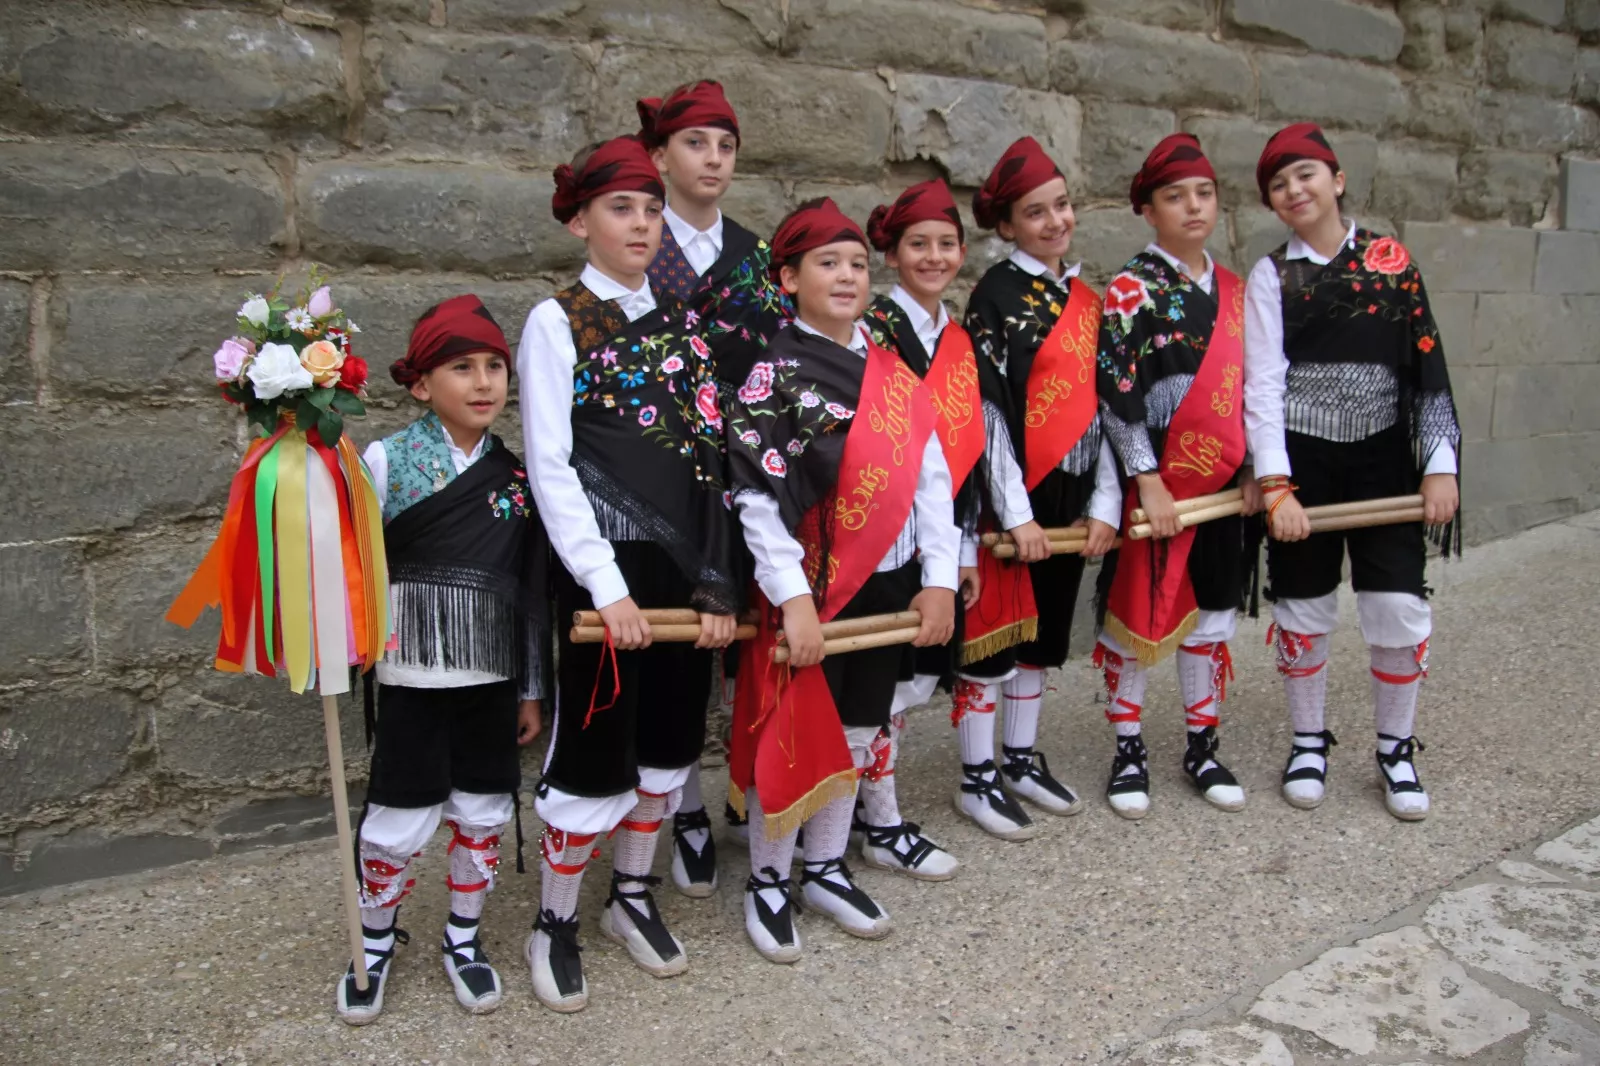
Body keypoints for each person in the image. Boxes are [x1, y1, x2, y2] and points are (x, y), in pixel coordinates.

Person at [518, 135, 739, 1012]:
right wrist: (604, 586)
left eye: (652, 209)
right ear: (580, 221)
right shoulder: (556, 319)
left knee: (669, 748)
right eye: (622, 208)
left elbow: (714, 460)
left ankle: (632, 898)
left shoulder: (686, 322)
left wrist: (718, 581)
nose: (642, 223)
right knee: (596, 750)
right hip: (605, 573)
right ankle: (555, 921)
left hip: (685, 571)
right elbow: (551, 461)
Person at [724, 197, 961, 961]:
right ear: (788, 278)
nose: (849, 275)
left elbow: (931, 480)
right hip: (813, 590)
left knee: (861, 726)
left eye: (858, 262)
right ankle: (769, 877)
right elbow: (758, 500)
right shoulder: (772, 377)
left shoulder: (891, 369)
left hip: (888, 582)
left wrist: (939, 579)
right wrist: (791, 598)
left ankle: (824, 866)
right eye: (828, 262)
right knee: (793, 732)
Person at [338, 295, 548, 1025]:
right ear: (422, 383)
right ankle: (374, 941)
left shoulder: (518, 479)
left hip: (490, 678)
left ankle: (464, 938)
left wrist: (531, 689)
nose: (485, 381)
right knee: (397, 817)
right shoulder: (384, 460)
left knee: (484, 810)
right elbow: (348, 565)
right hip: (409, 678)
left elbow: (529, 594)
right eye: (463, 367)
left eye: (495, 366)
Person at [1244, 122, 1461, 821]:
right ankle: (1308, 740)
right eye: (1278, 184)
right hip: (1304, 462)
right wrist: (1275, 484)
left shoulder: (1393, 262)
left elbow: (1426, 365)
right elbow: (1263, 384)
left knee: (1397, 607)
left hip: (1385, 459)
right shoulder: (1271, 275)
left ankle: (1396, 748)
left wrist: (1439, 465)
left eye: (1304, 174)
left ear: (1336, 180)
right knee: (1303, 608)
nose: (1293, 190)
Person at [636, 79, 789, 895]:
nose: (714, 160)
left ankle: (749, 789)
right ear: (661, 157)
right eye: (697, 144)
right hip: (663, 479)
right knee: (685, 647)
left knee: (751, 638)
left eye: (726, 146)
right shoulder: (633, 244)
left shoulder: (757, 253)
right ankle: (684, 805)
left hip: (746, 473)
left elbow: (775, 360)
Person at [1092, 134, 1258, 821]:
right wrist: (1147, 477)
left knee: (1211, 612)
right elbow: (1116, 388)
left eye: (1203, 193)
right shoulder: (1131, 287)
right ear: (1148, 210)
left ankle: (1201, 741)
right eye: (1173, 196)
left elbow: (1255, 388)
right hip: (1158, 484)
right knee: (1135, 616)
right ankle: (1127, 746)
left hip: (1222, 487)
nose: (1192, 207)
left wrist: (1257, 472)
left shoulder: (1238, 292)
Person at [960, 136, 1122, 840]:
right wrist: (1015, 510)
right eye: (1035, 213)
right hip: (1013, 501)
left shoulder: (1087, 298)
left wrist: (1106, 502)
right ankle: (976, 776)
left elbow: (1115, 405)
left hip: (1074, 495)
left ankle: (1021, 758)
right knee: (993, 641)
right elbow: (988, 411)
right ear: (1007, 227)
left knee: (1046, 636)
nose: (1055, 221)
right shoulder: (995, 296)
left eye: (1061, 205)